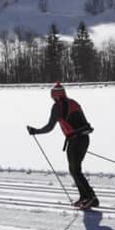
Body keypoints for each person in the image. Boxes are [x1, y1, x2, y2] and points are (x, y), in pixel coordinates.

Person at [27, 82, 98, 210]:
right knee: (75, 170)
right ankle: (85, 197)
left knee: (75, 170)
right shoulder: (73, 102)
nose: (52, 98)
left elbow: (49, 127)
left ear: (55, 96)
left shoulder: (57, 107)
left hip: (75, 140)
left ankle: (90, 198)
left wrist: (35, 131)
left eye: (53, 96)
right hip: (84, 138)